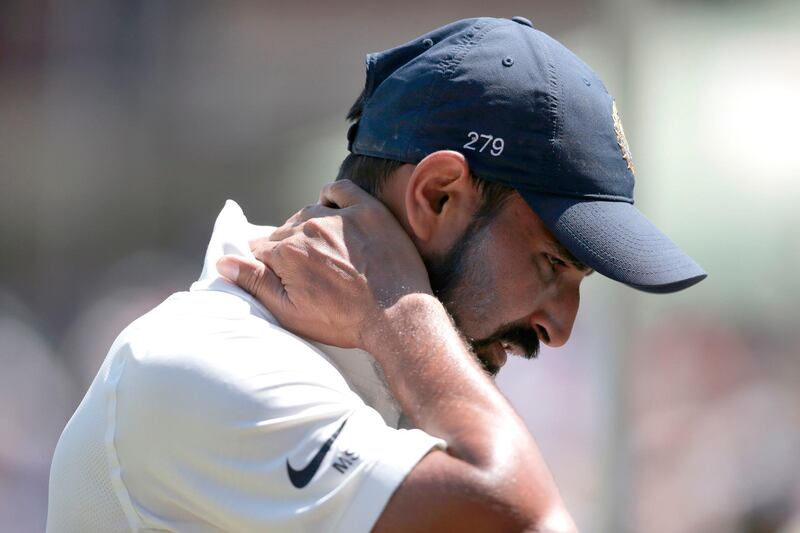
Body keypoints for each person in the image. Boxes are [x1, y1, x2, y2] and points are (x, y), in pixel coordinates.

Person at [47, 17, 705, 533]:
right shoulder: (204, 361)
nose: (559, 327)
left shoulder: (383, 377)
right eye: (553, 262)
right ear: (438, 195)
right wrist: (398, 309)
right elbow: (521, 517)